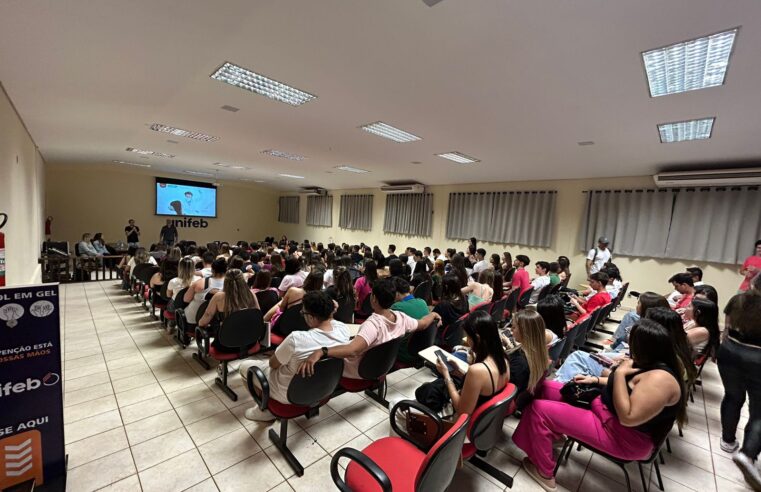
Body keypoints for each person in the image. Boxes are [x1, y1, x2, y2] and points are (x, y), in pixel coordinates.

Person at [515, 319, 686, 491]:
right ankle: (553, 437)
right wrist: (595, 379)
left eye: (631, 340)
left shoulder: (661, 380)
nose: (628, 343)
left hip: (622, 435)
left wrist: (618, 374)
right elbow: (630, 385)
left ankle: (544, 472)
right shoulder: (650, 363)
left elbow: (628, 417)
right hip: (606, 412)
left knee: (539, 410)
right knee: (544, 387)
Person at [239, 291, 350, 421]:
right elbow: (333, 321)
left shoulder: (296, 339)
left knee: (245, 367)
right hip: (324, 388)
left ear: (311, 317)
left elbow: (273, 364)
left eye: (303, 313)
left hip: (288, 394)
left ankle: (264, 410)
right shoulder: (343, 330)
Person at [297, 279, 441, 380]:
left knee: (328, 350)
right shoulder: (401, 318)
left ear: (374, 299)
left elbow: (353, 350)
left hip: (358, 370)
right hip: (382, 365)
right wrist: (433, 314)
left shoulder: (372, 325)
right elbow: (422, 323)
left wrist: (322, 351)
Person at [719, 277, 761, 489]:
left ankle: (727, 440)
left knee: (732, 396)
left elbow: (726, 328)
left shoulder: (738, 300)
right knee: (759, 412)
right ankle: (748, 453)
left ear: (753, 284)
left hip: (730, 350)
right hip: (757, 357)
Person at [427, 311, 509, 418]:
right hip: (482, 419)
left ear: (477, 338)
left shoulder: (477, 370)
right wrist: (459, 372)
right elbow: (483, 387)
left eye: (468, 337)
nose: (467, 341)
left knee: (401, 411)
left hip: (460, 423)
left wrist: (446, 375)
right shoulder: (504, 360)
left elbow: (461, 411)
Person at [197, 269, 260, 351]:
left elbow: (207, 316)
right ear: (243, 281)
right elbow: (258, 315)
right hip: (249, 341)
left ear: (225, 281)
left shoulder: (219, 297)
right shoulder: (251, 294)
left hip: (225, 344)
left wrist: (200, 325)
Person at [508, 310, 551, 395]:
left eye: (514, 327)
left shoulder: (519, 363)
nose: (511, 329)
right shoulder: (539, 352)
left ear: (524, 331)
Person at [183, 257, 226, 324]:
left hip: (194, 319)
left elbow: (186, 299)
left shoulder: (200, 283)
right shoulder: (230, 285)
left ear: (212, 270)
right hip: (215, 323)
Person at [433, 273, 470, 346]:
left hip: (442, 337)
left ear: (446, 287)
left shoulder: (443, 305)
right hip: (458, 334)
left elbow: (431, 321)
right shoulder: (464, 299)